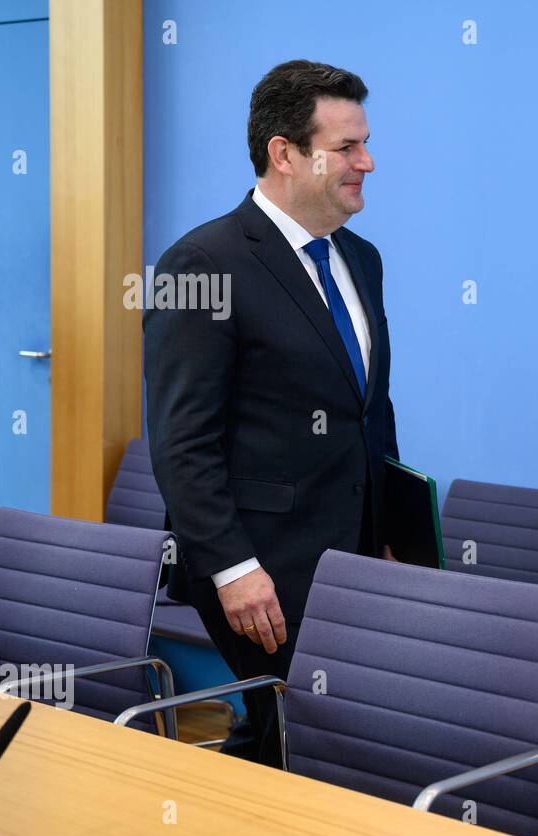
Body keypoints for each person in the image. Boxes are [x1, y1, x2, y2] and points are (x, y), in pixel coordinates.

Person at [143, 60, 399, 766]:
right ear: (285, 153)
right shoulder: (201, 264)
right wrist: (231, 567)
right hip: (262, 565)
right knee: (304, 731)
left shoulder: (363, 259)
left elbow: (368, 407)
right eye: (347, 147)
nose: (367, 162)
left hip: (349, 555)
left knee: (289, 734)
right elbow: (179, 441)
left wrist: (386, 529)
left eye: (366, 143)